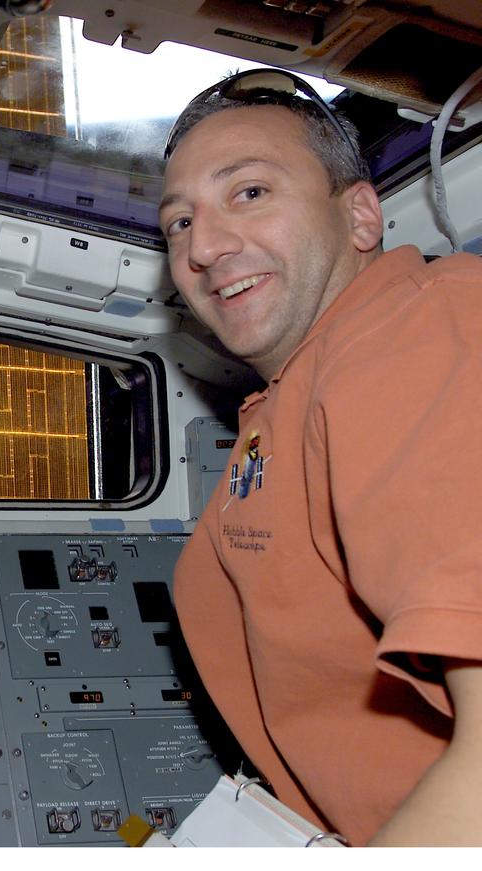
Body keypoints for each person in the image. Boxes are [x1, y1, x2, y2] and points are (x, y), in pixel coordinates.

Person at [157, 69, 482, 846]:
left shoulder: (422, 332)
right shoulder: (297, 393)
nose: (203, 247)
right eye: (178, 223)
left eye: (250, 192)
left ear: (361, 215)